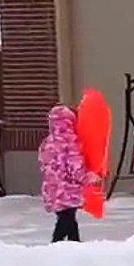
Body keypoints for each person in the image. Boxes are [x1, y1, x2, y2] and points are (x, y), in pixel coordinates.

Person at [38, 104, 100, 243]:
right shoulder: (70, 142)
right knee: (68, 220)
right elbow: (74, 165)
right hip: (67, 189)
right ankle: (66, 245)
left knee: (64, 219)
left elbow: (44, 164)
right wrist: (86, 178)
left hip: (53, 188)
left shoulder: (47, 142)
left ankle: (66, 244)